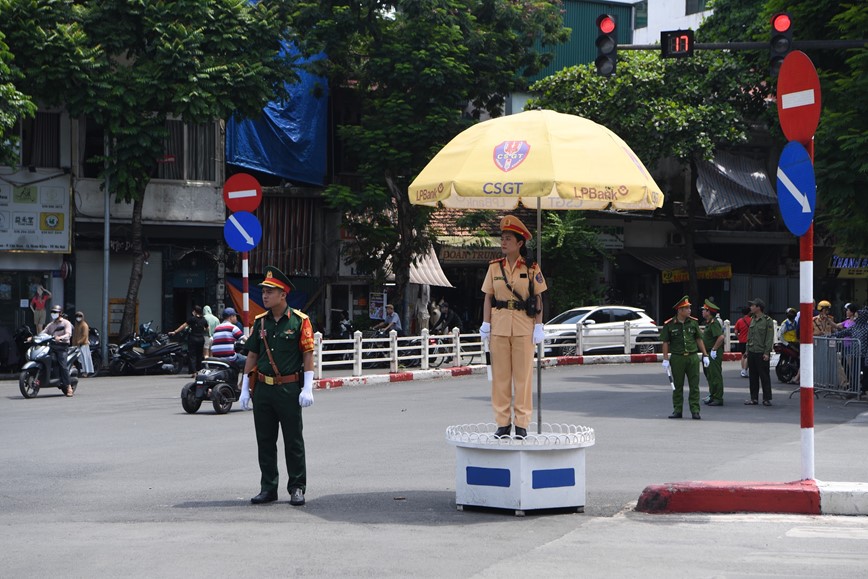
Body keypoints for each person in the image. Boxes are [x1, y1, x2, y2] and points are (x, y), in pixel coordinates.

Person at [240, 266, 315, 506]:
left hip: (288, 389)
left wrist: (308, 387)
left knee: (293, 441)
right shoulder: (260, 323)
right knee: (265, 440)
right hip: (263, 389)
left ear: (283, 294)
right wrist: (244, 387)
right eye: (263, 291)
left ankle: (297, 487)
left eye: (270, 291)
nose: (264, 295)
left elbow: (307, 354)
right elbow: (252, 355)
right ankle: (268, 487)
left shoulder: (299, 321)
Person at [479, 215, 547, 439]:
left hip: (523, 327)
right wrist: (486, 323)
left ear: (520, 243)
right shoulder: (494, 267)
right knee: (500, 378)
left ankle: (522, 423)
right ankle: (502, 423)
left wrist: (539, 326)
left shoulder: (531, 268)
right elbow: (488, 297)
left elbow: (538, 299)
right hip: (499, 327)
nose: (504, 242)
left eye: (509, 238)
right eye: (503, 238)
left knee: (523, 377)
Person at [660, 296, 710, 420]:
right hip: (677, 358)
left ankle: (695, 410)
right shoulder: (670, 324)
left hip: (692, 357)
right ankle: (677, 409)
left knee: (694, 385)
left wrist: (705, 355)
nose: (689, 310)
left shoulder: (693, 322)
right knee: (677, 386)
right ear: (680, 310)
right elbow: (665, 342)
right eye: (686, 308)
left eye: (689, 308)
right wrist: (665, 359)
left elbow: (698, 339)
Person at [745, 298, 775, 406]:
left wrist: (767, 352)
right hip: (752, 351)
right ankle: (754, 398)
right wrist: (747, 350)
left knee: (764, 376)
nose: (751, 307)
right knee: (753, 377)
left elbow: (769, 338)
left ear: (758, 307)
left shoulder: (767, 320)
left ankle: (766, 398)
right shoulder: (752, 319)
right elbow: (749, 336)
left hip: (761, 352)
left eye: (753, 305)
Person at [832, 307, 868, 395]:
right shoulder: (854, 327)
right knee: (855, 373)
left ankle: (863, 389)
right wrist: (831, 336)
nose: (856, 317)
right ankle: (855, 390)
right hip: (855, 354)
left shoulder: (866, 329)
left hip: (865, 355)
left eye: (857, 315)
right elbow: (842, 333)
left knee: (865, 373)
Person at [43, 304, 73, 396]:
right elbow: (43, 332)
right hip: (52, 347)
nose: (53, 314)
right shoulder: (51, 324)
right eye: (52, 312)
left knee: (63, 366)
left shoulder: (66, 323)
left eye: (55, 312)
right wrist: (33, 338)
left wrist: (60, 337)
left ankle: (68, 387)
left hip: (62, 347)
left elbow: (68, 334)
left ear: (60, 313)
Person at [169, 305, 209, 375]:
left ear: (195, 312)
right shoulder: (204, 319)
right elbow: (207, 328)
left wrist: (175, 332)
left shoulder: (192, 319)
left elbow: (183, 326)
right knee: (199, 355)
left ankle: (193, 371)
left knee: (192, 355)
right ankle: (199, 370)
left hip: (193, 338)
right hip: (201, 338)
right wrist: (201, 329)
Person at [701, 299, 725, 406]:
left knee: (715, 375)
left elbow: (720, 337)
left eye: (704, 310)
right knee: (709, 374)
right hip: (708, 352)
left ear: (709, 312)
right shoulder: (708, 323)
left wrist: (714, 350)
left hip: (713, 352)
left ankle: (718, 397)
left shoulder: (714, 323)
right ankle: (712, 394)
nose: (702, 312)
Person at [72, 311, 94, 378]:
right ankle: (82, 371)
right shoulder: (77, 325)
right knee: (79, 359)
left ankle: (86, 372)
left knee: (84, 359)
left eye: (80, 316)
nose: (78, 318)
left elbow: (84, 336)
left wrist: (79, 342)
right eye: (77, 316)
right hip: (77, 345)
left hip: (83, 345)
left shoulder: (84, 325)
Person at [733, 307, 751, 378]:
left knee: (743, 355)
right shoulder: (752, 320)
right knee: (748, 356)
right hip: (749, 341)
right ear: (749, 312)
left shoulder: (739, 321)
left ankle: (743, 370)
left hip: (742, 341)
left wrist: (739, 337)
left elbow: (736, 331)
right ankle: (745, 370)